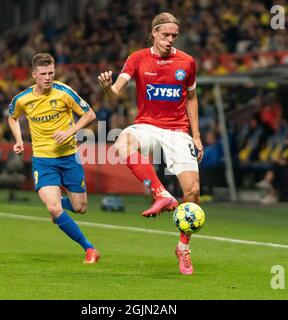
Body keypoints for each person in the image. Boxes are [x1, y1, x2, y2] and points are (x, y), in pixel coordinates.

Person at [98, 12, 203, 275]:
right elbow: (116, 91)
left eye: (174, 36)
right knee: (122, 143)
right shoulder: (137, 58)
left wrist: (197, 135)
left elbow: (191, 98)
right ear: (154, 33)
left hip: (178, 130)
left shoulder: (187, 62)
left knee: (192, 193)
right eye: (165, 35)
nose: (170, 40)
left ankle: (183, 248)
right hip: (147, 124)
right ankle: (161, 194)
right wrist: (107, 88)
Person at [8, 53, 99, 264]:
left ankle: (60, 207)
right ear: (34, 75)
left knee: (80, 208)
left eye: (51, 73)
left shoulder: (64, 92)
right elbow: (12, 117)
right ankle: (89, 248)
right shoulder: (23, 99)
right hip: (43, 160)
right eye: (43, 74)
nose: (48, 77)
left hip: (68, 157)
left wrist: (70, 131)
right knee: (53, 208)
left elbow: (90, 114)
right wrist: (19, 140)